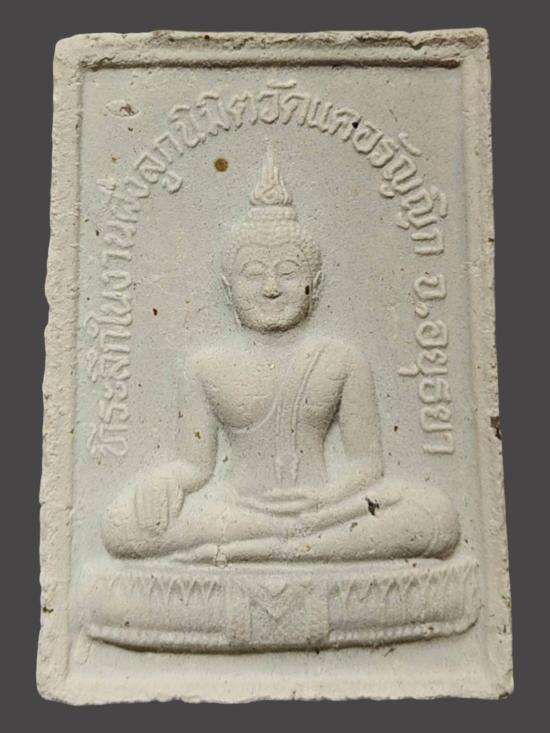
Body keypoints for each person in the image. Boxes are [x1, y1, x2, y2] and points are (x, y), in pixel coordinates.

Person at [103, 152, 459, 563]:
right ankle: (293, 545)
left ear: (315, 284)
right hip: (238, 508)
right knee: (122, 523)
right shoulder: (204, 366)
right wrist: (165, 481)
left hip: (324, 508)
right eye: (253, 274)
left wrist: (327, 497)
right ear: (229, 289)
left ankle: (261, 548)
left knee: (436, 516)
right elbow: (195, 466)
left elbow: (367, 464)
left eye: (288, 273)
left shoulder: (342, 360)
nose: (271, 288)